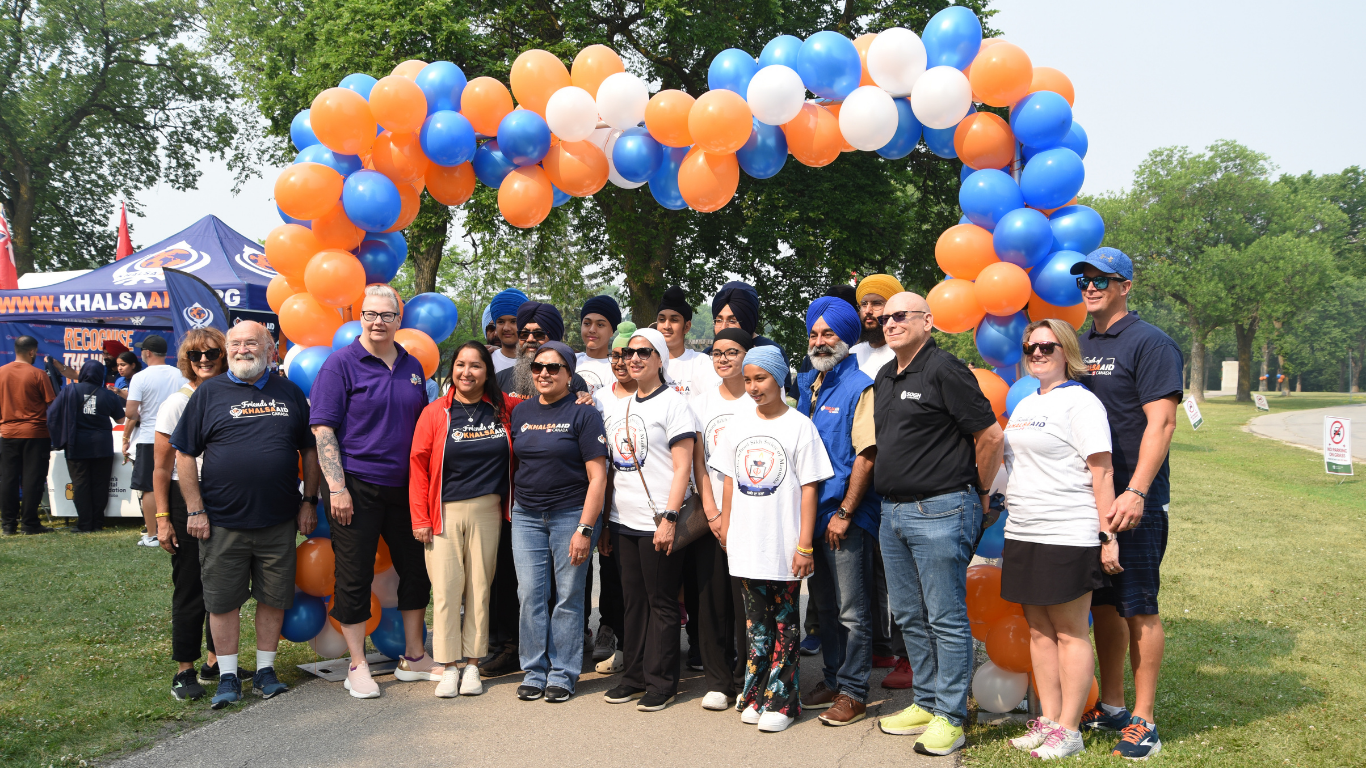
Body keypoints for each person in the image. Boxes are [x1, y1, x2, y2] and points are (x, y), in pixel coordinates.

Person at [872, 292, 1004, 757]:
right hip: (893, 512)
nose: (890, 323)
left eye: (900, 316)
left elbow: (990, 435)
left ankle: (951, 716)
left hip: (943, 509)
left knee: (945, 618)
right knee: (909, 615)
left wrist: (980, 491)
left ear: (928, 321)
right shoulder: (886, 375)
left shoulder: (945, 369)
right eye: (885, 319)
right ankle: (926, 702)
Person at [171, 321, 319, 709]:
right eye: (234, 344)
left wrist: (309, 501)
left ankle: (266, 671)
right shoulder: (208, 393)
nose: (241, 350)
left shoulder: (289, 392)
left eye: (251, 343)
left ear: (270, 350)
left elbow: (309, 450)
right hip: (222, 522)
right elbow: (184, 453)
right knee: (222, 602)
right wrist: (195, 509)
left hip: (278, 521)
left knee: (273, 598)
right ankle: (228, 676)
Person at [1071, 247, 1182, 759]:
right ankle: (1113, 705)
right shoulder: (1079, 344)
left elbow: (1162, 423)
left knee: (1139, 606)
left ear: (1126, 286)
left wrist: (1136, 491)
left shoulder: (1151, 342)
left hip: (1134, 499)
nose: (1091, 287)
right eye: (1084, 280)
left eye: (1102, 279)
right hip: (1089, 497)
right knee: (1104, 605)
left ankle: (1145, 720)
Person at [1001, 319, 1123, 759]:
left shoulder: (1082, 403)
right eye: (1030, 346)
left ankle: (1070, 730)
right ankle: (1049, 721)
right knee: (1039, 632)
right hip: (1023, 530)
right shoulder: (1025, 403)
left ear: (1066, 350)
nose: (1037, 352)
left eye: (1047, 346)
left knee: (1070, 633)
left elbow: (1102, 472)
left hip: (1067, 531)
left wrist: (1108, 535)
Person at [310, 285, 436, 699]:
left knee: (416, 570)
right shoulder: (339, 365)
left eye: (386, 315)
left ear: (399, 320)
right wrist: (337, 488)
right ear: (359, 317)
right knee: (354, 575)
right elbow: (323, 429)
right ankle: (357, 665)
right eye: (369, 314)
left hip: (406, 488)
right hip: (355, 486)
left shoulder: (412, 365)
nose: (377, 322)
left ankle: (414, 658)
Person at [711, 344, 833, 733]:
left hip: (783, 542)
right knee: (755, 624)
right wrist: (727, 524)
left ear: (779, 379)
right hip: (747, 540)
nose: (752, 387)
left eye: (760, 378)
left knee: (785, 623)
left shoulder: (799, 426)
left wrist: (804, 545)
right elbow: (728, 480)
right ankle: (756, 693)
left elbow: (810, 488)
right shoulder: (738, 425)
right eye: (747, 379)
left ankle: (783, 701)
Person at [794, 297, 881, 727]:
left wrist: (845, 512)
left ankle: (853, 692)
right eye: (814, 333)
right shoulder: (808, 383)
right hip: (814, 515)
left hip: (846, 517)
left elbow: (867, 454)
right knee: (824, 606)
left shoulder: (861, 386)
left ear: (846, 337)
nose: (819, 341)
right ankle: (832, 678)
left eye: (828, 333)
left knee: (852, 610)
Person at [600, 327, 697, 712]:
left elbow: (683, 466)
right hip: (623, 519)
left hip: (658, 519)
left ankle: (662, 682)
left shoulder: (674, 403)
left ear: (660, 359)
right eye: (629, 353)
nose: (634, 358)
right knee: (633, 602)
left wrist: (670, 518)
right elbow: (613, 467)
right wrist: (606, 521)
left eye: (644, 352)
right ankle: (635, 675)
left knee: (661, 602)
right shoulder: (620, 405)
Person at [410, 341, 514, 698]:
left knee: (480, 590)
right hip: (444, 512)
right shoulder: (435, 412)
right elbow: (418, 465)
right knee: (446, 590)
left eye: (475, 366)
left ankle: (472, 664)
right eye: (460, 365)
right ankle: (449, 665)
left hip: (488, 511)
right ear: (452, 369)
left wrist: (582, 399)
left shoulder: (505, 408)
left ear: (487, 372)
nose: (466, 372)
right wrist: (420, 518)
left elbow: (544, 408)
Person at [507, 341, 609, 702]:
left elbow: (598, 477)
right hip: (526, 516)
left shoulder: (584, 414)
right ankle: (534, 670)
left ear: (569, 374)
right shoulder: (521, 411)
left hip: (570, 515)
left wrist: (585, 528)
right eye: (538, 367)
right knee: (530, 594)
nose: (544, 373)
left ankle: (563, 672)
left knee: (568, 596)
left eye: (553, 367)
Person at [152, 328, 227, 700]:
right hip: (186, 498)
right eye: (196, 355)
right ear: (186, 360)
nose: (204, 360)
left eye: (212, 352)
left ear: (224, 355)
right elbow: (161, 468)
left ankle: (215, 662)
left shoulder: (231, 395)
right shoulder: (176, 403)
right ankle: (184, 670)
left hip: (226, 497)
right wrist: (163, 518)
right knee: (190, 585)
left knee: (224, 584)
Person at [690, 327, 755, 712]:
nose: (723, 359)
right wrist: (713, 511)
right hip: (710, 513)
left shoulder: (759, 397)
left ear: (748, 355)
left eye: (732, 352)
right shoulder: (701, 403)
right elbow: (698, 461)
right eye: (717, 353)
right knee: (711, 599)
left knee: (745, 601)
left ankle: (746, 676)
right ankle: (717, 680)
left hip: (752, 513)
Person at [588, 321, 637, 671]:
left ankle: (644, 651)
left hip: (646, 506)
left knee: (642, 586)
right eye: (615, 355)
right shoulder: (598, 399)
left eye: (628, 354)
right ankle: (619, 644)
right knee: (613, 577)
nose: (621, 362)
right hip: (611, 503)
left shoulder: (656, 396)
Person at [47, 360, 124, 532]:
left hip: (77, 444)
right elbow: (120, 420)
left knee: (80, 484)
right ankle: (97, 522)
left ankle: (84, 523)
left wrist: (59, 437)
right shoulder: (108, 394)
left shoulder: (70, 390)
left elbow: (52, 414)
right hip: (102, 445)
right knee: (100, 484)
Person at [126, 334, 188, 547]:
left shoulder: (140, 377)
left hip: (150, 436)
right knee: (177, 481)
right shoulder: (180, 374)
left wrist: (145, 416)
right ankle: (177, 527)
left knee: (150, 487)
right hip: (177, 435)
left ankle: (152, 533)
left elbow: (130, 412)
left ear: (147, 353)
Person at [0, 335, 56, 535]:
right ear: (32, 352)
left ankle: (8, 524)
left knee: (8, 478)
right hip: (36, 434)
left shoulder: (1, 372)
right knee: (33, 479)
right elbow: (52, 404)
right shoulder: (38, 374)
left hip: (8, 433)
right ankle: (29, 523)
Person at [496, 300, 590, 399]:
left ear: (553, 339)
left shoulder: (574, 383)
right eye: (524, 334)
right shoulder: (500, 379)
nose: (530, 339)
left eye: (538, 334)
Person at [655, 285, 719, 401]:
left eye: (674, 320)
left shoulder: (701, 362)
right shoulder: (647, 362)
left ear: (687, 326)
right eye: (662, 320)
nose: (666, 326)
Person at [850, 274, 903, 380]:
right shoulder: (852, 354)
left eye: (876, 303)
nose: (868, 311)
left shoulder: (904, 353)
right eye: (864, 304)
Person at [576, 295, 622, 396]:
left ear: (612, 331)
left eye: (600, 325)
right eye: (587, 323)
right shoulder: (570, 361)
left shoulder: (618, 368)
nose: (592, 330)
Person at [486, 288, 530, 374]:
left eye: (513, 321)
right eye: (501, 322)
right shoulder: (486, 361)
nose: (506, 328)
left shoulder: (538, 362)